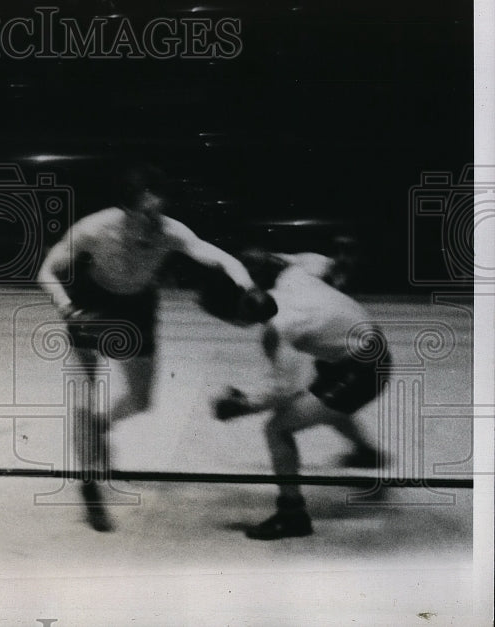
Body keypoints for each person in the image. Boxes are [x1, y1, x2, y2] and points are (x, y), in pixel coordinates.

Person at [38, 165, 276, 531]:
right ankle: (89, 486)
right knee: (84, 401)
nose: (153, 221)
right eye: (146, 214)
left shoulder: (170, 231)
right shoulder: (95, 227)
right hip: (91, 304)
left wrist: (248, 287)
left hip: (137, 308)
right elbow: (47, 271)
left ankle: (102, 427)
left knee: (142, 401)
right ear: (127, 209)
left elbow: (218, 257)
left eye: (158, 212)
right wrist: (68, 309)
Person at [211, 249, 390, 540]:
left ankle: (292, 515)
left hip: (362, 371)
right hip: (363, 351)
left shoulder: (278, 327)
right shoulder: (295, 273)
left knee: (277, 428)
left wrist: (240, 406)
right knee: (320, 402)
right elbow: (322, 260)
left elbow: (282, 391)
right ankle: (366, 453)